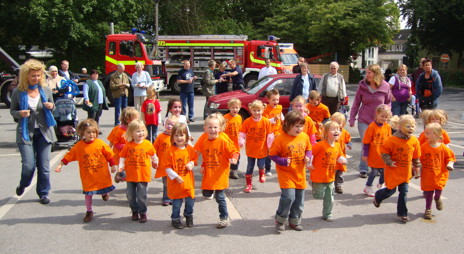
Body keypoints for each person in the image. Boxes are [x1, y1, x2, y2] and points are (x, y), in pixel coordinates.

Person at [10, 59, 57, 204]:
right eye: (33, 76)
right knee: (28, 165)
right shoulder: (18, 92)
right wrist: (20, 113)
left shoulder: (46, 90)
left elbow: (52, 108)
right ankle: (23, 184)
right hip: (26, 132)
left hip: (44, 132)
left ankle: (43, 193)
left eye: (38, 75)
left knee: (44, 166)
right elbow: (12, 111)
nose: (36, 78)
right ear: (26, 76)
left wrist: (51, 106)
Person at [54, 119, 117, 222]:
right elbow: (69, 155)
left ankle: (104, 193)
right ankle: (89, 211)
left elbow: (109, 155)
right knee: (88, 193)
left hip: (101, 174)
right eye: (88, 132)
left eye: (94, 132)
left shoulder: (100, 143)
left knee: (103, 186)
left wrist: (113, 165)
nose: (91, 135)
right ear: (82, 133)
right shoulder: (79, 146)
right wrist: (61, 164)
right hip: (87, 176)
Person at [194, 113, 239, 229]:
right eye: (210, 127)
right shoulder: (203, 137)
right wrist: (190, 161)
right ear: (205, 128)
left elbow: (234, 151)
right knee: (206, 193)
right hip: (209, 173)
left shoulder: (223, 140)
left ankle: (224, 218)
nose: (212, 130)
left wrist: (234, 158)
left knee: (220, 197)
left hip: (220, 174)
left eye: (215, 127)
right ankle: (208, 192)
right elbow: (196, 151)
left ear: (220, 128)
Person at [373, 115, 421, 223]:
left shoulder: (414, 141)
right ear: (399, 127)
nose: (411, 129)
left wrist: (417, 166)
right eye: (408, 126)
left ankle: (402, 213)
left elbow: (416, 156)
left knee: (404, 192)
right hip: (393, 172)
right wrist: (389, 162)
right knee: (390, 191)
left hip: (405, 173)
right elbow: (384, 152)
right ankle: (378, 196)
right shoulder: (392, 140)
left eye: (413, 126)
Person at [269, 111, 312, 232]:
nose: (299, 129)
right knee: (288, 197)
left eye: (301, 126)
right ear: (287, 125)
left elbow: (308, 149)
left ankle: (294, 221)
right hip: (286, 174)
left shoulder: (304, 136)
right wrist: (282, 161)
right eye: (296, 126)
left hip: (299, 173)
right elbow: (272, 155)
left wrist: (308, 156)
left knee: (299, 200)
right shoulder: (280, 139)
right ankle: (280, 219)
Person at [349, 64, 392, 178]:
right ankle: (363, 168)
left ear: (376, 74)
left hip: (379, 121)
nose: (366, 75)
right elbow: (356, 103)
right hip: (364, 120)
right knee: (366, 143)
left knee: (378, 144)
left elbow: (388, 102)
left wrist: (387, 113)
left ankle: (377, 167)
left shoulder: (385, 86)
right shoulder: (362, 86)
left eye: (369, 73)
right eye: (366, 72)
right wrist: (352, 118)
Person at [118, 120, 158, 223]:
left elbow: (153, 155)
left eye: (143, 130)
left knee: (141, 195)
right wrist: (121, 165)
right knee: (130, 195)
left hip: (143, 175)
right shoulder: (128, 145)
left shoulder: (147, 144)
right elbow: (122, 156)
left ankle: (143, 212)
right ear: (131, 133)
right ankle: (134, 211)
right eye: (138, 131)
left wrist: (155, 162)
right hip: (131, 175)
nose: (141, 133)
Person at [308, 121, 347, 222]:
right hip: (318, 175)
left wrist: (342, 159)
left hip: (330, 176)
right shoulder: (320, 145)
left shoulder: (337, 145)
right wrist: (309, 164)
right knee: (319, 195)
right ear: (326, 132)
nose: (336, 131)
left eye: (338, 129)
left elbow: (338, 156)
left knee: (330, 197)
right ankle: (312, 183)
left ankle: (327, 214)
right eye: (333, 129)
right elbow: (311, 154)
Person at [163, 122, 198, 229]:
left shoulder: (189, 149)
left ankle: (188, 215)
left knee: (190, 201)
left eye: (182, 135)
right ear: (172, 136)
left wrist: (191, 164)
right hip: (176, 182)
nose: (179, 138)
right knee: (177, 203)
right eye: (176, 135)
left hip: (188, 182)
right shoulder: (170, 151)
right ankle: (175, 219)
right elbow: (167, 167)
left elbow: (194, 159)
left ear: (186, 136)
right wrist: (175, 176)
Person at [420, 123, 455, 220]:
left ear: (436, 134)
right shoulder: (424, 146)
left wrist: (449, 164)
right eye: (425, 133)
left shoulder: (443, 147)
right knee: (428, 193)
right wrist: (416, 168)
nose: (425, 135)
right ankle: (428, 209)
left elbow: (450, 157)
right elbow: (419, 158)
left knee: (438, 188)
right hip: (427, 175)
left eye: (428, 133)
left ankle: (437, 198)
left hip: (440, 174)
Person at [239, 100, 273, 192]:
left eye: (258, 110)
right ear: (251, 110)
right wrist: (241, 140)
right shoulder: (247, 121)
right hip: (251, 149)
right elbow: (242, 132)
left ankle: (262, 173)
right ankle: (248, 185)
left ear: (262, 110)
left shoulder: (266, 122)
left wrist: (270, 146)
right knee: (249, 167)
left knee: (261, 165)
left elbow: (270, 134)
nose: (256, 112)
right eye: (254, 110)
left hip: (262, 149)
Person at [362, 104, 392, 197]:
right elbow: (366, 142)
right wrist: (365, 154)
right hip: (374, 154)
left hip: (384, 155)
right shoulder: (372, 127)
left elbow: (390, 141)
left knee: (385, 171)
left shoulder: (387, 127)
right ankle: (368, 186)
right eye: (382, 116)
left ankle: (380, 184)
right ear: (377, 114)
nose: (384, 118)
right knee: (374, 172)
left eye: (386, 117)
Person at [107, 107, 140, 183]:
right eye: (135, 119)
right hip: (121, 155)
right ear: (128, 120)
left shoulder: (135, 129)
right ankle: (120, 175)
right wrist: (108, 152)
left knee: (131, 168)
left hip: (132, 154)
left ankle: (128, 179)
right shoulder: (119, 130)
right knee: (124, 168)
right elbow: (114, 142)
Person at [154, 115, 178, 206]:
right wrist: (154, 159)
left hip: (174, 164)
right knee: (166, 182)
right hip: (164, 165)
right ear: (164, 124)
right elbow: (154, 149)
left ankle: (173, 196)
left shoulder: (176, 137)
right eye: (168, 124)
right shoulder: (160, 137)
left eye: (172, 125)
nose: (169, 126)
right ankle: (166, 198)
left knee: (173, 181)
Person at [263, 89, 284, 176]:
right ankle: (267, 168)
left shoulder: (279, 107)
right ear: (268, 100)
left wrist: (284, 121)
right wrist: (273, 119)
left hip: (278, 131)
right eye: (273, 100)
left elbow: (281, 116)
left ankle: (281, 165)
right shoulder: (266, 109)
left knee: (280, 150)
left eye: (277, 99)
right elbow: (265, 121)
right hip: (269, 133)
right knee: (269, 151)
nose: (276, 102)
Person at [330, 112, 351, 194]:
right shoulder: (330, 132)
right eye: (334, 122)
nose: (337, 125)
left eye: (339, 123)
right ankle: (330, 185)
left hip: (341, 156)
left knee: (340, 171)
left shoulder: (344, 132)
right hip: (332, 156)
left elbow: (347, 139)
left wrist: (349, 144)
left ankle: (338, 185)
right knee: (332, 171)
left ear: (343, 124)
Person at [224, 98, 242, 179]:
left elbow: (241, 129)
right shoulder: (226, 118)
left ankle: (233, 171)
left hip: (236, 142)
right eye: (233, 107)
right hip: (228, 142)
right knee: (226, 157)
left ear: (239, 108)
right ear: (229, 108)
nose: (235, 109)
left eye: (237, 107)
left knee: (237, 157)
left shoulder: (239, 117)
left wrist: (242, 139)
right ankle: (225, 170)